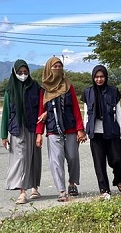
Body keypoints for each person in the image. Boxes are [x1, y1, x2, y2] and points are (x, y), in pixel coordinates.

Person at [36, 56, 85, 202]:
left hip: (70, 128)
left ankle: (72, 183)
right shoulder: (44, 89)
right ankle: (62, 190)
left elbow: (76, 108)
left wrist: (80, 129)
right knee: (56, 160)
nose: (57, 69)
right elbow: (41, 111)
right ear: (48, 69)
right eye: (54, 67)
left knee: (73, 157)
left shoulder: (69, 86)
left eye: (59, 66)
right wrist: (39, 133)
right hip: (52, 130)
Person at [82, 65, 121, 200]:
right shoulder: (88, 92)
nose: (99, 79)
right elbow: (86, 113)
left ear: (106, 77)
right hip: (95, 133)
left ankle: (120, 181)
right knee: (99, 162)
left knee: (118, 159)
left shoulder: (113, 91)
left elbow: (119, 113)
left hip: (111, 130)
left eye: (101, 76)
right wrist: (85, 131)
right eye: (96, 77)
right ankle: (104, 190)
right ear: (93, 77)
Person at [1, 60, 42, 204]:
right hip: (16, 129)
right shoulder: (10, 90)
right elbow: (6, 112)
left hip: (32, 127)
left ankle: (34, 187)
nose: (23, 75)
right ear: (15, 72)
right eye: (20, 72)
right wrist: (3, 135)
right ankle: (22, 191)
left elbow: (41, 108)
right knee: (20, 159)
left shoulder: (35, 86)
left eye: (25, 72)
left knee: (33, 157)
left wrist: (40, 131)